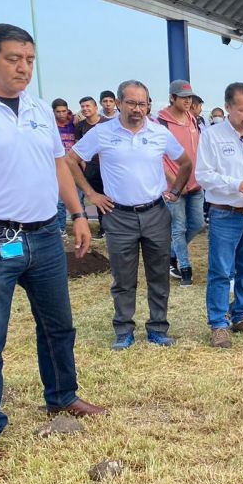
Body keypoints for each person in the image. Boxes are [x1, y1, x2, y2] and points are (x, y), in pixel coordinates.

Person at [0, 24, 107, 465]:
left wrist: (76, 215)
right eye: (14, 58)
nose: (23, 68)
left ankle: (62, 396)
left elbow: (57, 165)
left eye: (30, 60)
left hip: (43, 235)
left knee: (58, 326)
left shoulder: (36, 108)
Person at [69, 80, 193, 349]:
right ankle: (124, 330)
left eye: (143, 103)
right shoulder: (102, 132)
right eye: (132, 103)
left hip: (156, 213)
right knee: (123, 278)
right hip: (118, 215)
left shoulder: (159, 132)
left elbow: (185, 163)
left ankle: (158, 328)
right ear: (119, 102)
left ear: (149, 105)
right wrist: (92, 194)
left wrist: (176, 190)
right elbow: (70, 160)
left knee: (158, 274)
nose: (138, 109)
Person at [196, 82, 243, 348]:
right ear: (228, 107)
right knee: (220, 270)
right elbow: (203, 175)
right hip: (225, 214)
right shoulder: (212, 136)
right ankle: (218, 324)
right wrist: (234, 184)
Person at [157, 79, 205, 287]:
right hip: (174, 187)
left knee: (198, 224)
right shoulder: (160, 123)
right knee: (179, 228)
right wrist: (175, 183)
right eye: (183, 97)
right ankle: (184, 269)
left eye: (190, 97)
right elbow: (157, 158)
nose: (188, 101)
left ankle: (169, 254)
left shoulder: (192, 119)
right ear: (172, 97)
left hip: (195, 184)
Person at [75, 96, 109, 239]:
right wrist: (84, 166)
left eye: (88, 106)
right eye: (83, 106)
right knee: (98, 198)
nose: (85, 109)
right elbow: (77, 148)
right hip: (91, 168)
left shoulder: (107, 123)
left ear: (96, 108)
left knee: (111, 197)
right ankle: (103, 229)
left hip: (107, 167)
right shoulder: (80, 126)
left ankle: (112, 227)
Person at [52, 98, 79, 236]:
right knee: (60, 202)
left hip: (75, 168)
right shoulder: (51, 126)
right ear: (54, 112)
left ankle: (79, 226)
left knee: (78, 201)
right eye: (58, 112)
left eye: (64, 111)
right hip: (58, 168)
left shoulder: (75, 124)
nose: (61, 114)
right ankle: (61, 229)